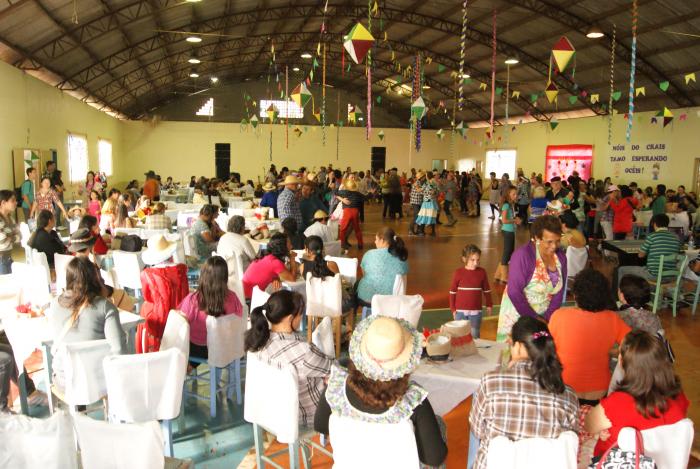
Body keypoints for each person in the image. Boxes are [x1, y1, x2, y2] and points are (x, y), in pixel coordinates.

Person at [314, 315, 447, 467]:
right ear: (405, 363)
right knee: (440, 425)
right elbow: (434, 458)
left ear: (359, 356)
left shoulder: (336, 387)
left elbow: (320, 424)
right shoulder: (413, 401)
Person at [469, 316, 578, 469]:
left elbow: (477, 430)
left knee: (479, 434)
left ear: (519, 347)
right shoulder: (569, 395)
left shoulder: (491, 382)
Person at [584, 330, 688, 462]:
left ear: (621, 361)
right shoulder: (679, 395)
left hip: (618, 462)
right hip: (667, 462)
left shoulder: (616, 403)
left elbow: (589, 425)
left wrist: (605, 431)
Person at [245, 289, 332, 425]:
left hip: (272, 411)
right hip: (307, 415)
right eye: (300, 315)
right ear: (291, 318)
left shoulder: (258, 341)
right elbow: (333, 368)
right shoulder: (304, 351)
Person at [549, 268, 631, 402]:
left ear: (575, 295)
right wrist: (613, 352)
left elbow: (547, 350)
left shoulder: (559, 315)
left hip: (565, 392)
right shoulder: (612, 318)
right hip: (600, 393)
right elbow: (634, 346)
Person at [48, 256, 126, 390]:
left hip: (65, 379)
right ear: (95, 278)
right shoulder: (105, 306)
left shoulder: (55, 304)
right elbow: (118, 350)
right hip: (99, 380)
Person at [496, 215, 567, 342]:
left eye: (557, 240)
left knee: (539, 355)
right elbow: (514, 292)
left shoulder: (560, 257)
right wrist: (534, 319)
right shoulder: (523, 256)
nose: (554, 246)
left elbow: (559, 291)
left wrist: (547, 318)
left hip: (545, 318)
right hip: (519, 316)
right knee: (517, 356)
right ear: (536, 238)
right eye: (549, 241)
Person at [179, 256, 244, 362]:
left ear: (203, 275)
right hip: (225, 347)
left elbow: (182, 324)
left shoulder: (193, 300)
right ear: (225, 277)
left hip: (200, 348)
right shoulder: (233, 297)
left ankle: (189, 366)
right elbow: (238, 320)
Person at [614, 213, 681, 290]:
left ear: (654, 224)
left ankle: (621, 296)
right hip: (671, 276)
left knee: (621, 269)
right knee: (644, 268)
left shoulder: (652, 236)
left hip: (654, 275)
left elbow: (640, 255)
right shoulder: (676, 237)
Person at [356, 227, 408, 307]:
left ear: (382, 240)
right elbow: (403, 280)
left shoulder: (369, 254)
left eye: (376, 239)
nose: (375, 242)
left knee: (356, 284)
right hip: (392, 299)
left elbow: (364, 274)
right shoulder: (401, 256)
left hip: (368, 299)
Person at [448, 244, 493, 338]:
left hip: (476, 312)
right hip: (460, 312)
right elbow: (452, 292)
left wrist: (489, 304)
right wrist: (453, 309)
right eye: (472, 260)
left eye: (478, 260)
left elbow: (487, 290)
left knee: (475, 335)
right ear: (464, 259)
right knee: (459, 336)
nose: (476, 263)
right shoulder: (458, 273)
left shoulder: (482, 272)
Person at [242, 233, 299, 299]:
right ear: (282, 247)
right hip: (250, 298)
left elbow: (266, 271)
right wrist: (292, 258)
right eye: (289, 244)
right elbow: (292, 279)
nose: (291, 246)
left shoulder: (264, 254)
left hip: (243, 290)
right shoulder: (275, 262)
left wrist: (275, 278)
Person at [494, 186, 520, 283]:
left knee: (509, 252)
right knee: (507, 253)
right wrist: (514, 220)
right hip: (507, 231)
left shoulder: (511, 204)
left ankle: (498, 275)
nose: (515, 196)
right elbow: (504, 220)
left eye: (516, 194)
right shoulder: (506, 205)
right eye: (513, 194)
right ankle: (504, 277)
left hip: (511, 230)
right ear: (508, 194)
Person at [336, 179, 364, 250]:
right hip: (355, 211)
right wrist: (371, 193)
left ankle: (342, 244)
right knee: (357, 229)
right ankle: (360, 244)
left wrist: (342, 198)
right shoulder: (358, 194)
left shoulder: (345, 192)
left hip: (347, 211)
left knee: (343, 229)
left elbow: (335, 192)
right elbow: (366, 197)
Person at [0, 190, 20, 274]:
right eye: (13, 200)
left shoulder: (10, 219)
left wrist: (9, 237)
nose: (16, 203)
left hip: (8, 257)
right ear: (3, 203)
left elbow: (20, 237)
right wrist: (13, 236)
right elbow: (3, 242)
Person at [415, 172, 439, 237]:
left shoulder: (427, 183)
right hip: (433, 202)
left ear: (427, 176)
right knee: (432, 217)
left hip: (427, 202)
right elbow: (437, 191)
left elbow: (420, 190)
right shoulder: (435, 182)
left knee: (423, 216)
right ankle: (433, 232)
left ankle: (422, 232)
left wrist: (416, 187)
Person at [409, 171, 426, 236]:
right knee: (416, 217)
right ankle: (411, 230)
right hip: (416, 202)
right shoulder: (417, 183)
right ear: (421, 178)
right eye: (424, 177)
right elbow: (421, 192)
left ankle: (419, 230)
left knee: (421, 216)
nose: (424, 178)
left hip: (420, 201)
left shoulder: (422, 183)